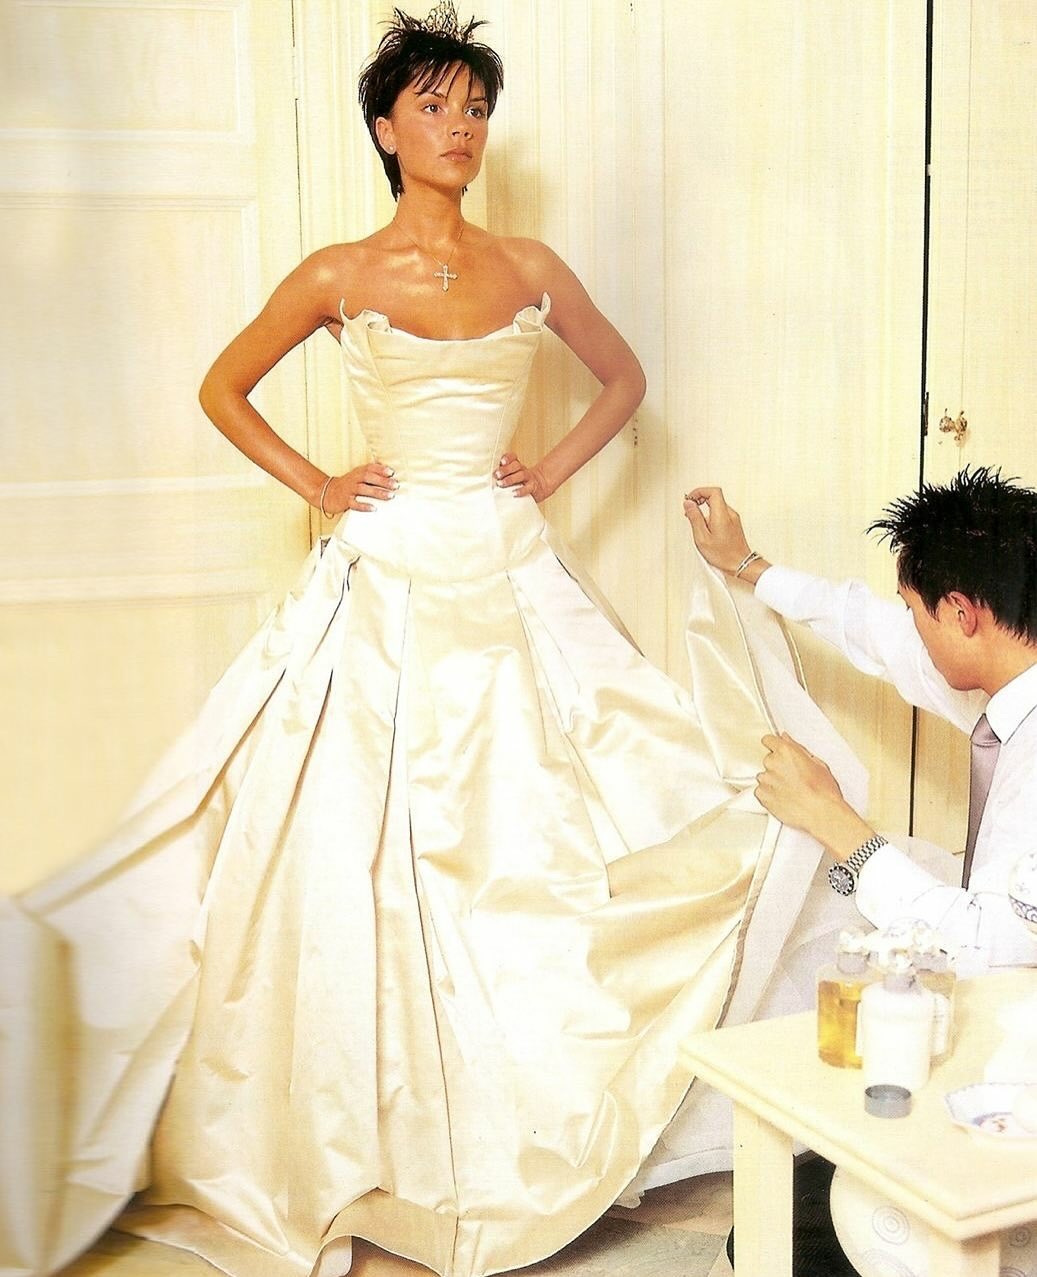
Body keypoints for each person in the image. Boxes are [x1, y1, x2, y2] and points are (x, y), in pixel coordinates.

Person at [0, 8, 859, 1277]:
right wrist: (318, 483)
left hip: (508, 563)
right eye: (435, 106)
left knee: (548, 827)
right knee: (354, 838)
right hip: (388, 570)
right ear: (385, 129)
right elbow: (220, 386)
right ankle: (361, 1125)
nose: (460, 128)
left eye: (475, 108)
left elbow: (623, 379)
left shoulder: (528, 263)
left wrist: (546, 473)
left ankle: (548, 1106)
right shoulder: (338, 272)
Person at [685, 469, 1037, 975]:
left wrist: (827, 814)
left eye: (914, 610)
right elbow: (870, 628)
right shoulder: (1009, 681)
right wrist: (747, 564)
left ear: (961, 614)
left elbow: (986, 949)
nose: (911, 628)